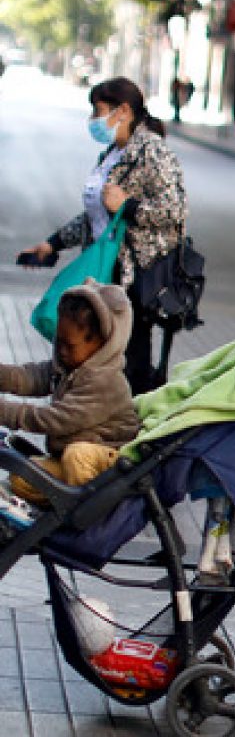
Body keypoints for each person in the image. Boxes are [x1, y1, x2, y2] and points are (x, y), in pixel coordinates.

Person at [18, 76, 190, 394]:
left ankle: (128, 432)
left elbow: (175, 211)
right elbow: (96, 214)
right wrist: (53, 244)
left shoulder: (152, 151)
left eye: (99, 111)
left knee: (129, 362)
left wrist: (128, 205)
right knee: (96, 356)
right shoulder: (115, 152)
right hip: (103, 271)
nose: (94, 121)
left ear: (123, 110)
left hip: (134, 276)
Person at [0, 280, 139, 533]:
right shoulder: (70, 367)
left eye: (70, 345)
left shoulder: (106, 381)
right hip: (71, 465)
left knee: (78, 454)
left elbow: (56, 420)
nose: (62, 351)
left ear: (100, 343)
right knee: (21, 477)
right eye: (58, 342)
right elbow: (28, 377)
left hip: (107, 466)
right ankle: (69, 504)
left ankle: (90, 518)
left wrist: (5, 412)